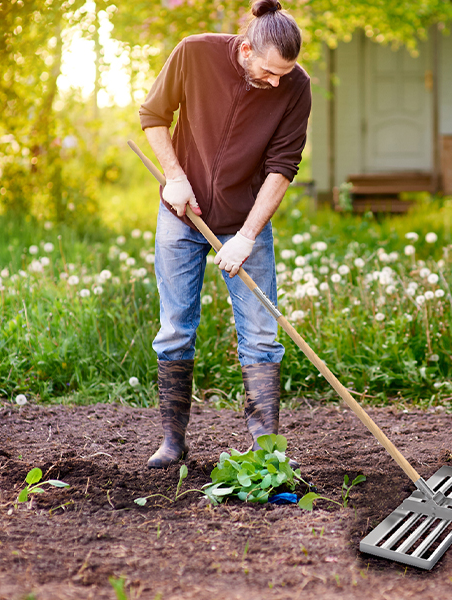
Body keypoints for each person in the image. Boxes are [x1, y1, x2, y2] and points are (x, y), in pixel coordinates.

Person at [138, 0, 310, 468]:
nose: (277, 82)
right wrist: (174, 176)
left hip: (243, 222)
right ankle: (172, 443)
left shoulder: (295, 86)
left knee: (260, 335)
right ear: (247, 48)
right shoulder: (194, 53)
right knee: (175, 329)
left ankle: (265, 453)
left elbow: (281, 168)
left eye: (285, 74)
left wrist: (248, 235)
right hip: (181, 215)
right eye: (270, 71)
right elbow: (153, 115)